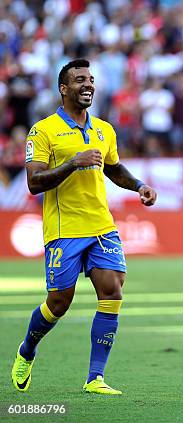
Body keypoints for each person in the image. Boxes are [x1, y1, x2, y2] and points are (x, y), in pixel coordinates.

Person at [11, 59, 157, 395]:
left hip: (101, 225)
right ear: (64, 89)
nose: (87, 84)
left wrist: (138, 186)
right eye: (79, 80)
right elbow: (34, 183)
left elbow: (114, 168)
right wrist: (72, 163)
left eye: (90, 79)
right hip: (64, 229)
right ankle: (27, 350)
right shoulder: (43, 130)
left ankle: (95, 378)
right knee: (59, 302)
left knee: (112, 291)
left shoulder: (104, 129)